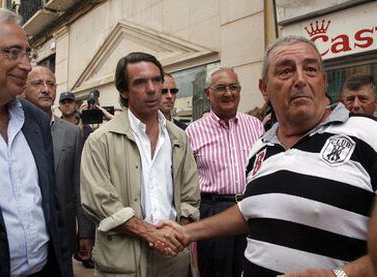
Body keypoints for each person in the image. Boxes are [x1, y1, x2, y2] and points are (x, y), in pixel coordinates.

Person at [157, 35, 377, 276]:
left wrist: (338, 275)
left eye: (311, 69)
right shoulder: (261, 147)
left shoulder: (368, 134)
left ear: (324, 81)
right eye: (286, 71)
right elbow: (251, 208)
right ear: (264, 89)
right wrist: (188, 232)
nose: (301, 79)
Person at [0, 7, 72, 276]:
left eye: (27, 53)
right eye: (13, 52)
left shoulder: (34, 121)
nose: (26, 65)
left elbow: (51, 207)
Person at [80, 52, 200, 277]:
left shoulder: (179, 138)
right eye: (140, 82)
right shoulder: (100, 140)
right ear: (123, 91)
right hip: (124, 260)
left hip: (173, 256)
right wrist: (150, 233)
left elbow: (190, 194)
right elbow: (98, 201)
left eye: (156, 80)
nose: (152, 88)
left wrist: (176, 234)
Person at [185, 67, 264, 277]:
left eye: (234, 87)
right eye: (220, 88)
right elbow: (184, 180)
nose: (228, 93)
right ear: (208, 93)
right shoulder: (193, 131)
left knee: (251, 269)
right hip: (213, 210)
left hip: (250, 210)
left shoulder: (255, 126)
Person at [24, 66, 94, 267]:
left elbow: (80, 184)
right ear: (23, 89)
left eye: (51, 84)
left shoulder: (72, 133)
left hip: (63, 235)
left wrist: (85, 232)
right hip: (26, 237)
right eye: (37, 83)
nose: (46, 89)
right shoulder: (13, 129)